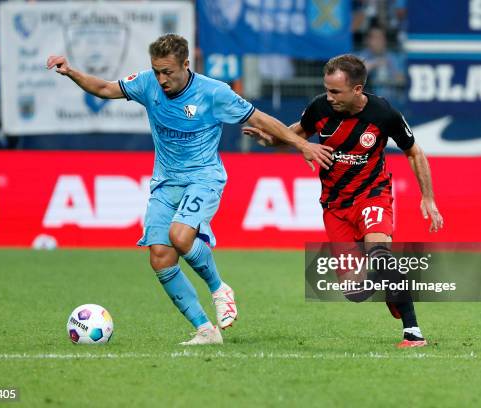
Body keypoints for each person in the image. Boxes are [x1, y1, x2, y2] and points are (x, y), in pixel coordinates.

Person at [47, 34, 333, 345]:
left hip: (204, 178)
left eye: (167, 71)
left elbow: (261, 119)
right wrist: (72, 71)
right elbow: (104, 88)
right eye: (156, 70)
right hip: (165, 182)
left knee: (180, 236)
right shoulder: (146, 84)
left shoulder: (214, 93)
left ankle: (219, 288)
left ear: (186, 64)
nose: (161, 78)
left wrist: (302, 144)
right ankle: (205, 330)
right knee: (159, 257)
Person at [244, 54, 444, 348]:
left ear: (357, 90)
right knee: (354, 291)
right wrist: (268, 139)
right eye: (327, 89)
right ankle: (394, 283)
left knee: (380, 255)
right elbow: (293, 136)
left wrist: (428, 197)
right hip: (335, 206)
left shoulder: (383, 113)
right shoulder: (320, 108)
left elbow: (415, 152)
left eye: (336, 91)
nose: (330, 97)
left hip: (371, 195)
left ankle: (413, 332)